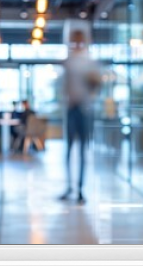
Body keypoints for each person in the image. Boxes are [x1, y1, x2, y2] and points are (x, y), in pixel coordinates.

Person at [60, 30, 101, 205]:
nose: (76, 44)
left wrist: (91, 81)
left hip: (84, 109)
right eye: (73, 41)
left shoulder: (89, 62)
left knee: (83, 150)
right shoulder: (68, 62)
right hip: (71, 108)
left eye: (79, 41)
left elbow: (96, 85)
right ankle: (69, 186)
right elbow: (63, 86)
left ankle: (80, 189)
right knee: (68, 150)